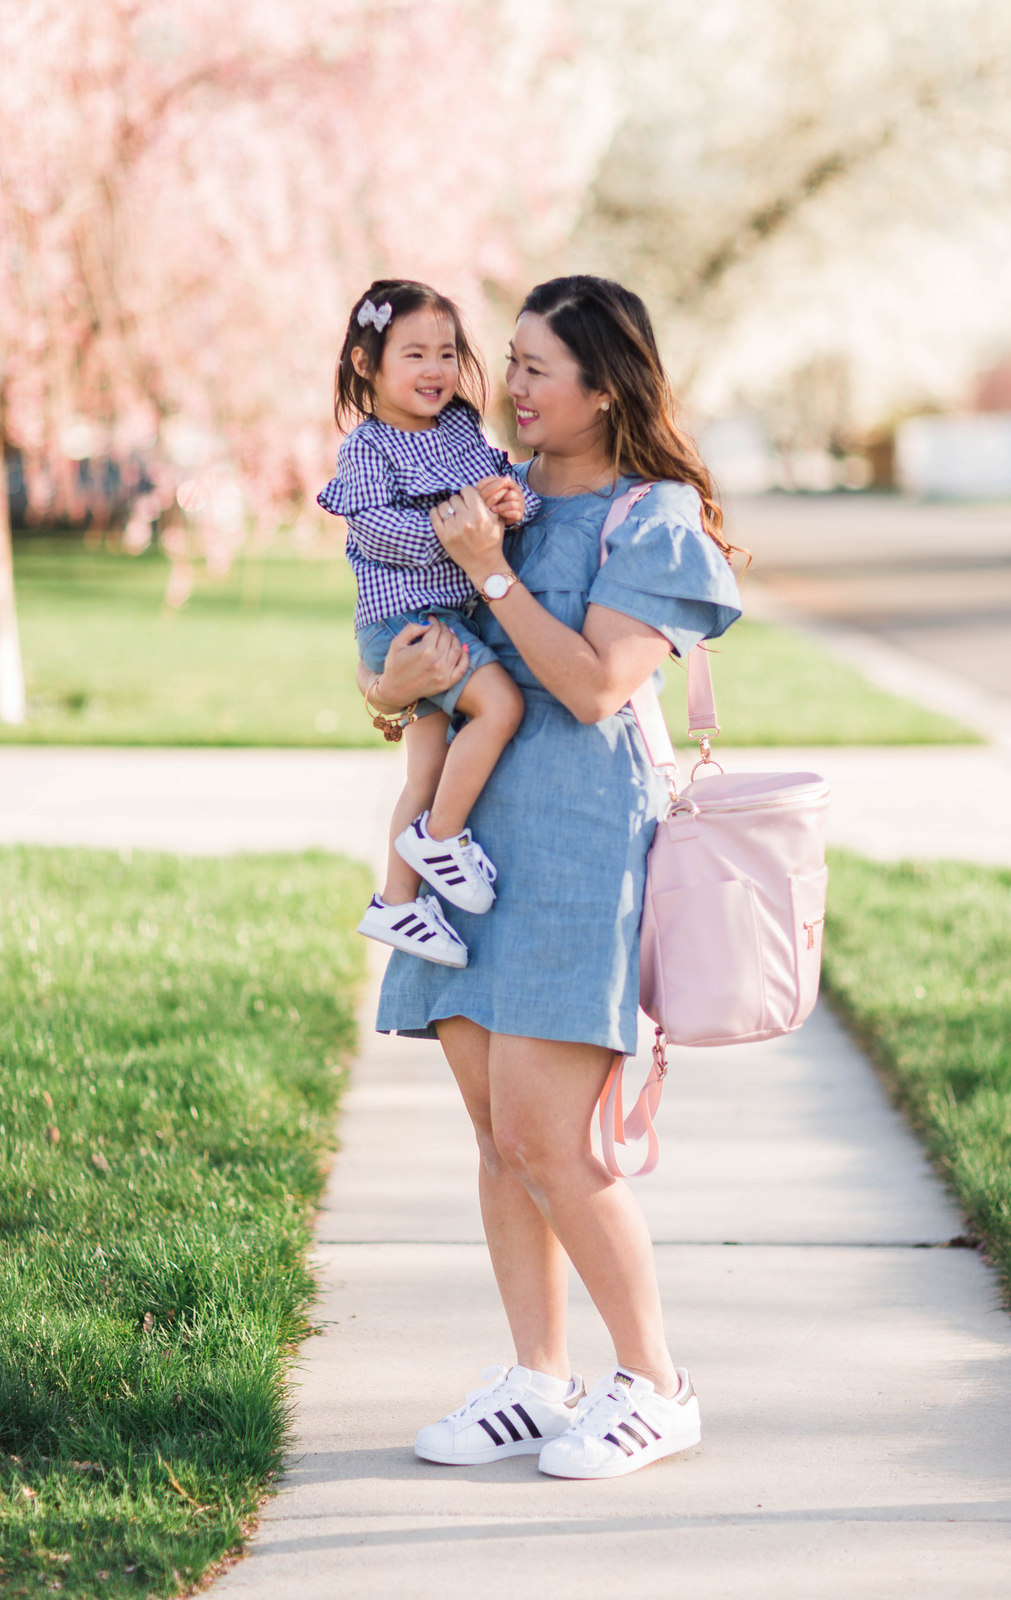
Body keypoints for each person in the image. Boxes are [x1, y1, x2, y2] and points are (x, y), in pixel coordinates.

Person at [356, 275, 743, 1480]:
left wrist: (490, 574)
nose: (506, 386)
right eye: (505, 361)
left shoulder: (653, 518)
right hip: (468, 847)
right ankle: (535, 1377)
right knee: (493, 1135)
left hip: (580, 848)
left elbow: (588, 686)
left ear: (605, 386)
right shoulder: (485, 501)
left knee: (550, 1135)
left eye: (535, 368)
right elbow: (417, 676)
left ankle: (655, 1383)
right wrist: (384, 688)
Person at [318, 279, 540, 970]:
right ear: (366, 365)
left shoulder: (459, 430)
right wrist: (459, 522)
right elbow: (377, 531)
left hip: (444, 612)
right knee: (499, 704)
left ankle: (396, 904)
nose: (436, 370)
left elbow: (500, 488)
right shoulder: (369, 449)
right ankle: (440, 837)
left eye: (446, 354)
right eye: (414, 355)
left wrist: (508, 503)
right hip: (403, 623)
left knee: (424, 769)